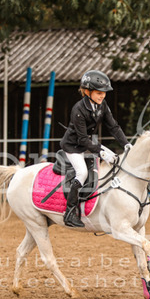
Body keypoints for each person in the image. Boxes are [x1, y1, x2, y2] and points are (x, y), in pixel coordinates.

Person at [60, 70, 131, 228]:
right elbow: (82, 139)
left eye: (104, 93)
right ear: (87, 92)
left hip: (88, 143)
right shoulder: (78, 109)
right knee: (82, 173)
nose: (102, 96)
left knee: (115, 160)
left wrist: (126, 144)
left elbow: (113, 127)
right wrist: (101, 152)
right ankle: (69, 212)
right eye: (99, 93)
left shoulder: (102, 105)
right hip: (73, 146)